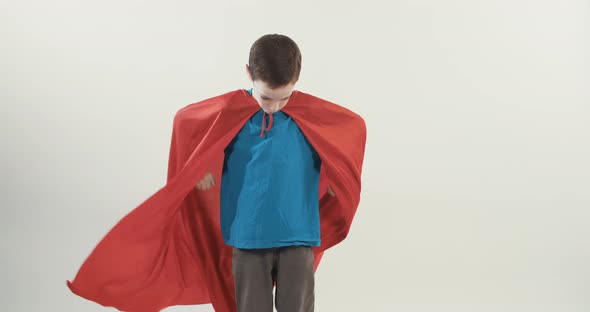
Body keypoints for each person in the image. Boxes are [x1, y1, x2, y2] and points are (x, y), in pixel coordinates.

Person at [195, 34, 333, 312]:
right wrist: (201, 167)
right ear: (248, 73)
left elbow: (345, 135)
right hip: (249, 234)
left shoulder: (309, 114)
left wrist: (337, 177)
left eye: (283, 98)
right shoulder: (232, 112)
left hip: (297, 233)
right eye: (266, 97)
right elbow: (191, 126)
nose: (274, 106)